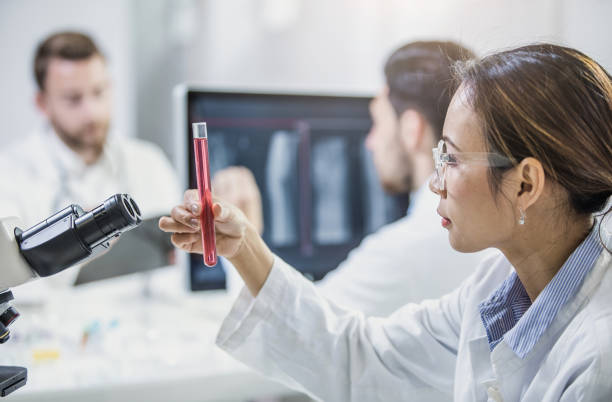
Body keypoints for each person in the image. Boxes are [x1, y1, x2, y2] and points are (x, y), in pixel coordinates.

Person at [160, 43, 612, 401]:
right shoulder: (494, 290)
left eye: (452, 158)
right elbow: (364, 357)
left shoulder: (595, 363)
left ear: (525, 185)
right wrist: (245, 247)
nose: (435, 182)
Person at [213, 41, 490, 316]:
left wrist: (242, 245)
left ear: (411, 130)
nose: (370, 142)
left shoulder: (403, 251)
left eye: (377, 123)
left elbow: (295, 334)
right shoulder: (492, 230)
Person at [0, 31, 180, 228]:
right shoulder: (8, 176)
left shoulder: (149, 162)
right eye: (73, 98)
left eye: (98, 92)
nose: (91, 112)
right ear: (42, 103)